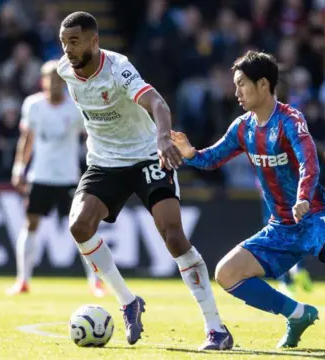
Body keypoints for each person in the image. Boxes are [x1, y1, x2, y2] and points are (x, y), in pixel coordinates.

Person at [171, 50, 325, 354]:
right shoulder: (243, 127)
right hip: (280, 226)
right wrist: (190, 155)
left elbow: (310, 163)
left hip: (315, 215)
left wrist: (303, 197)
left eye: (242, 84)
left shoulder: (290, 120)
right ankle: (297, 314)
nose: (236, 92)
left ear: (263, 84)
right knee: (226, 273)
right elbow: (212, 159)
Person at [57, 12, 232, 349]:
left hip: (147, 156)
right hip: (105, 163)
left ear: (94, 41)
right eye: (64, 42)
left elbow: (157, 103)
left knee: (173, 236)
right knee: (79, 226)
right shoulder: (66, 70)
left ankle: (217, 328)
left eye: (74, 41)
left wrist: (164, 139)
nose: (68, 49)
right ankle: (128, 302)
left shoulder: (118, 68)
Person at [6, 60, 106, 297]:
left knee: (83, 228)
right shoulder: (33, 105)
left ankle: (95, 281)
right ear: (43, 81)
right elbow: (27, 139)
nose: (54, 83)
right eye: (50, 78)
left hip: (69, 178)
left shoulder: (75, 108)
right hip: (40, 176)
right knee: (30, 224)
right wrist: (19, 167)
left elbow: (91, 136)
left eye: (59, 78)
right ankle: (23, 280)